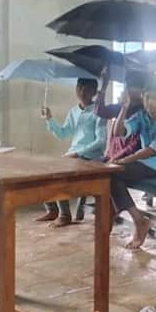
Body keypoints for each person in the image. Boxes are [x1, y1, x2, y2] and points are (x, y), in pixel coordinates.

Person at [109, 81, 156, 249]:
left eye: (154, 98)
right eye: (146, 98)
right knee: (111, 175)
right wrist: (124, 108)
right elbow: (118, 132)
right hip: (143, 163)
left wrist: (127, 160)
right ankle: (135, 219)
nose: (149, 102)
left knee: (115, 172)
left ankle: (136, 220)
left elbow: (153, 150)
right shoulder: (142, 116)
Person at [38, 78, 106, 227]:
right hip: (73, 155)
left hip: (91, 157)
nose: (82, 91)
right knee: (43, 168)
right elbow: (63, 134)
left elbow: (101, 142)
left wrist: (77, 153)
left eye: (86, 89)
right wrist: (49, 119)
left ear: (94, 92)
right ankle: (52, 209)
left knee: (58, 170)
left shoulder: (99, 112)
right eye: (79, 88)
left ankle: (65, 215)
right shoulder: (73, 111)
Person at [95, 66, 153, 164]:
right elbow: (99, 111)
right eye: (127, 86)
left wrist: (115, 159)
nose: (128, 89)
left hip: (128, 160)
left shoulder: (144, 113)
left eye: (133, 86)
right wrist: (104, 85)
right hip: (111, 156)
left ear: (142, 90)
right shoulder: (120, 107)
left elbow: (135, 145)